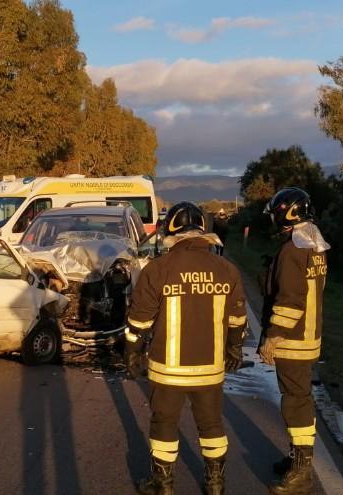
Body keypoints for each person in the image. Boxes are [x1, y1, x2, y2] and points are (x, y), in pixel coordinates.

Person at [124, 202, 248, 495]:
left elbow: (139, 321)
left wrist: (131, 353)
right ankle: (216, 484)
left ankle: (163, 484)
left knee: (164, 423)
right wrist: (234, 349)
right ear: (204, 231)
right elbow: (237, 319)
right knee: (211, 424)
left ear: (172, 231)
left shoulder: (158, 269)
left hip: (168, 369)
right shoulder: (227, 270)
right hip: (210, 368)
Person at [258, 187, 329, 494]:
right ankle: (296, 459)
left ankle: (301, 472)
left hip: (293, 341)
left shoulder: (292, 250)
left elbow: (290, 301)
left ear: (287, 214)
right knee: (299, 399)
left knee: (296, 404)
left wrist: (273, 337)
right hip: (309, 335)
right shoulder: (314, 243)